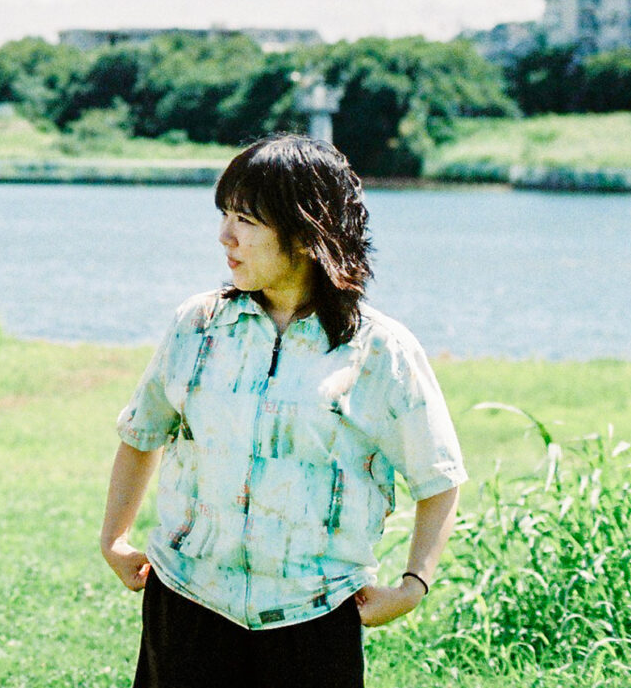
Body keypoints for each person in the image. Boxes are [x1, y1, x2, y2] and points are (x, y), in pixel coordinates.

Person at [98, 133, 466, 688]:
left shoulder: (381, 349)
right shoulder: (197, 325)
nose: (225, 236)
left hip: (314, 618)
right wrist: (114, 539)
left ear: (304, 231)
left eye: (246, 220)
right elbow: (142, 432)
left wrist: (414, 584)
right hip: (187, 602)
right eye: (225, 214)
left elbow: (438, 476)